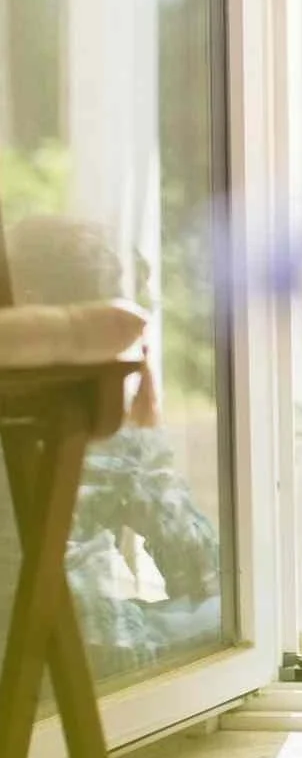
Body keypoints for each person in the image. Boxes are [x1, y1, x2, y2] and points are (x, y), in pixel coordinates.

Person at [3, 215, 222, 679]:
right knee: (231, 616)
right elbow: (199, 565)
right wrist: (149, 438)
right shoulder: (102, 432)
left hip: (17, 647)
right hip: (77, 652)